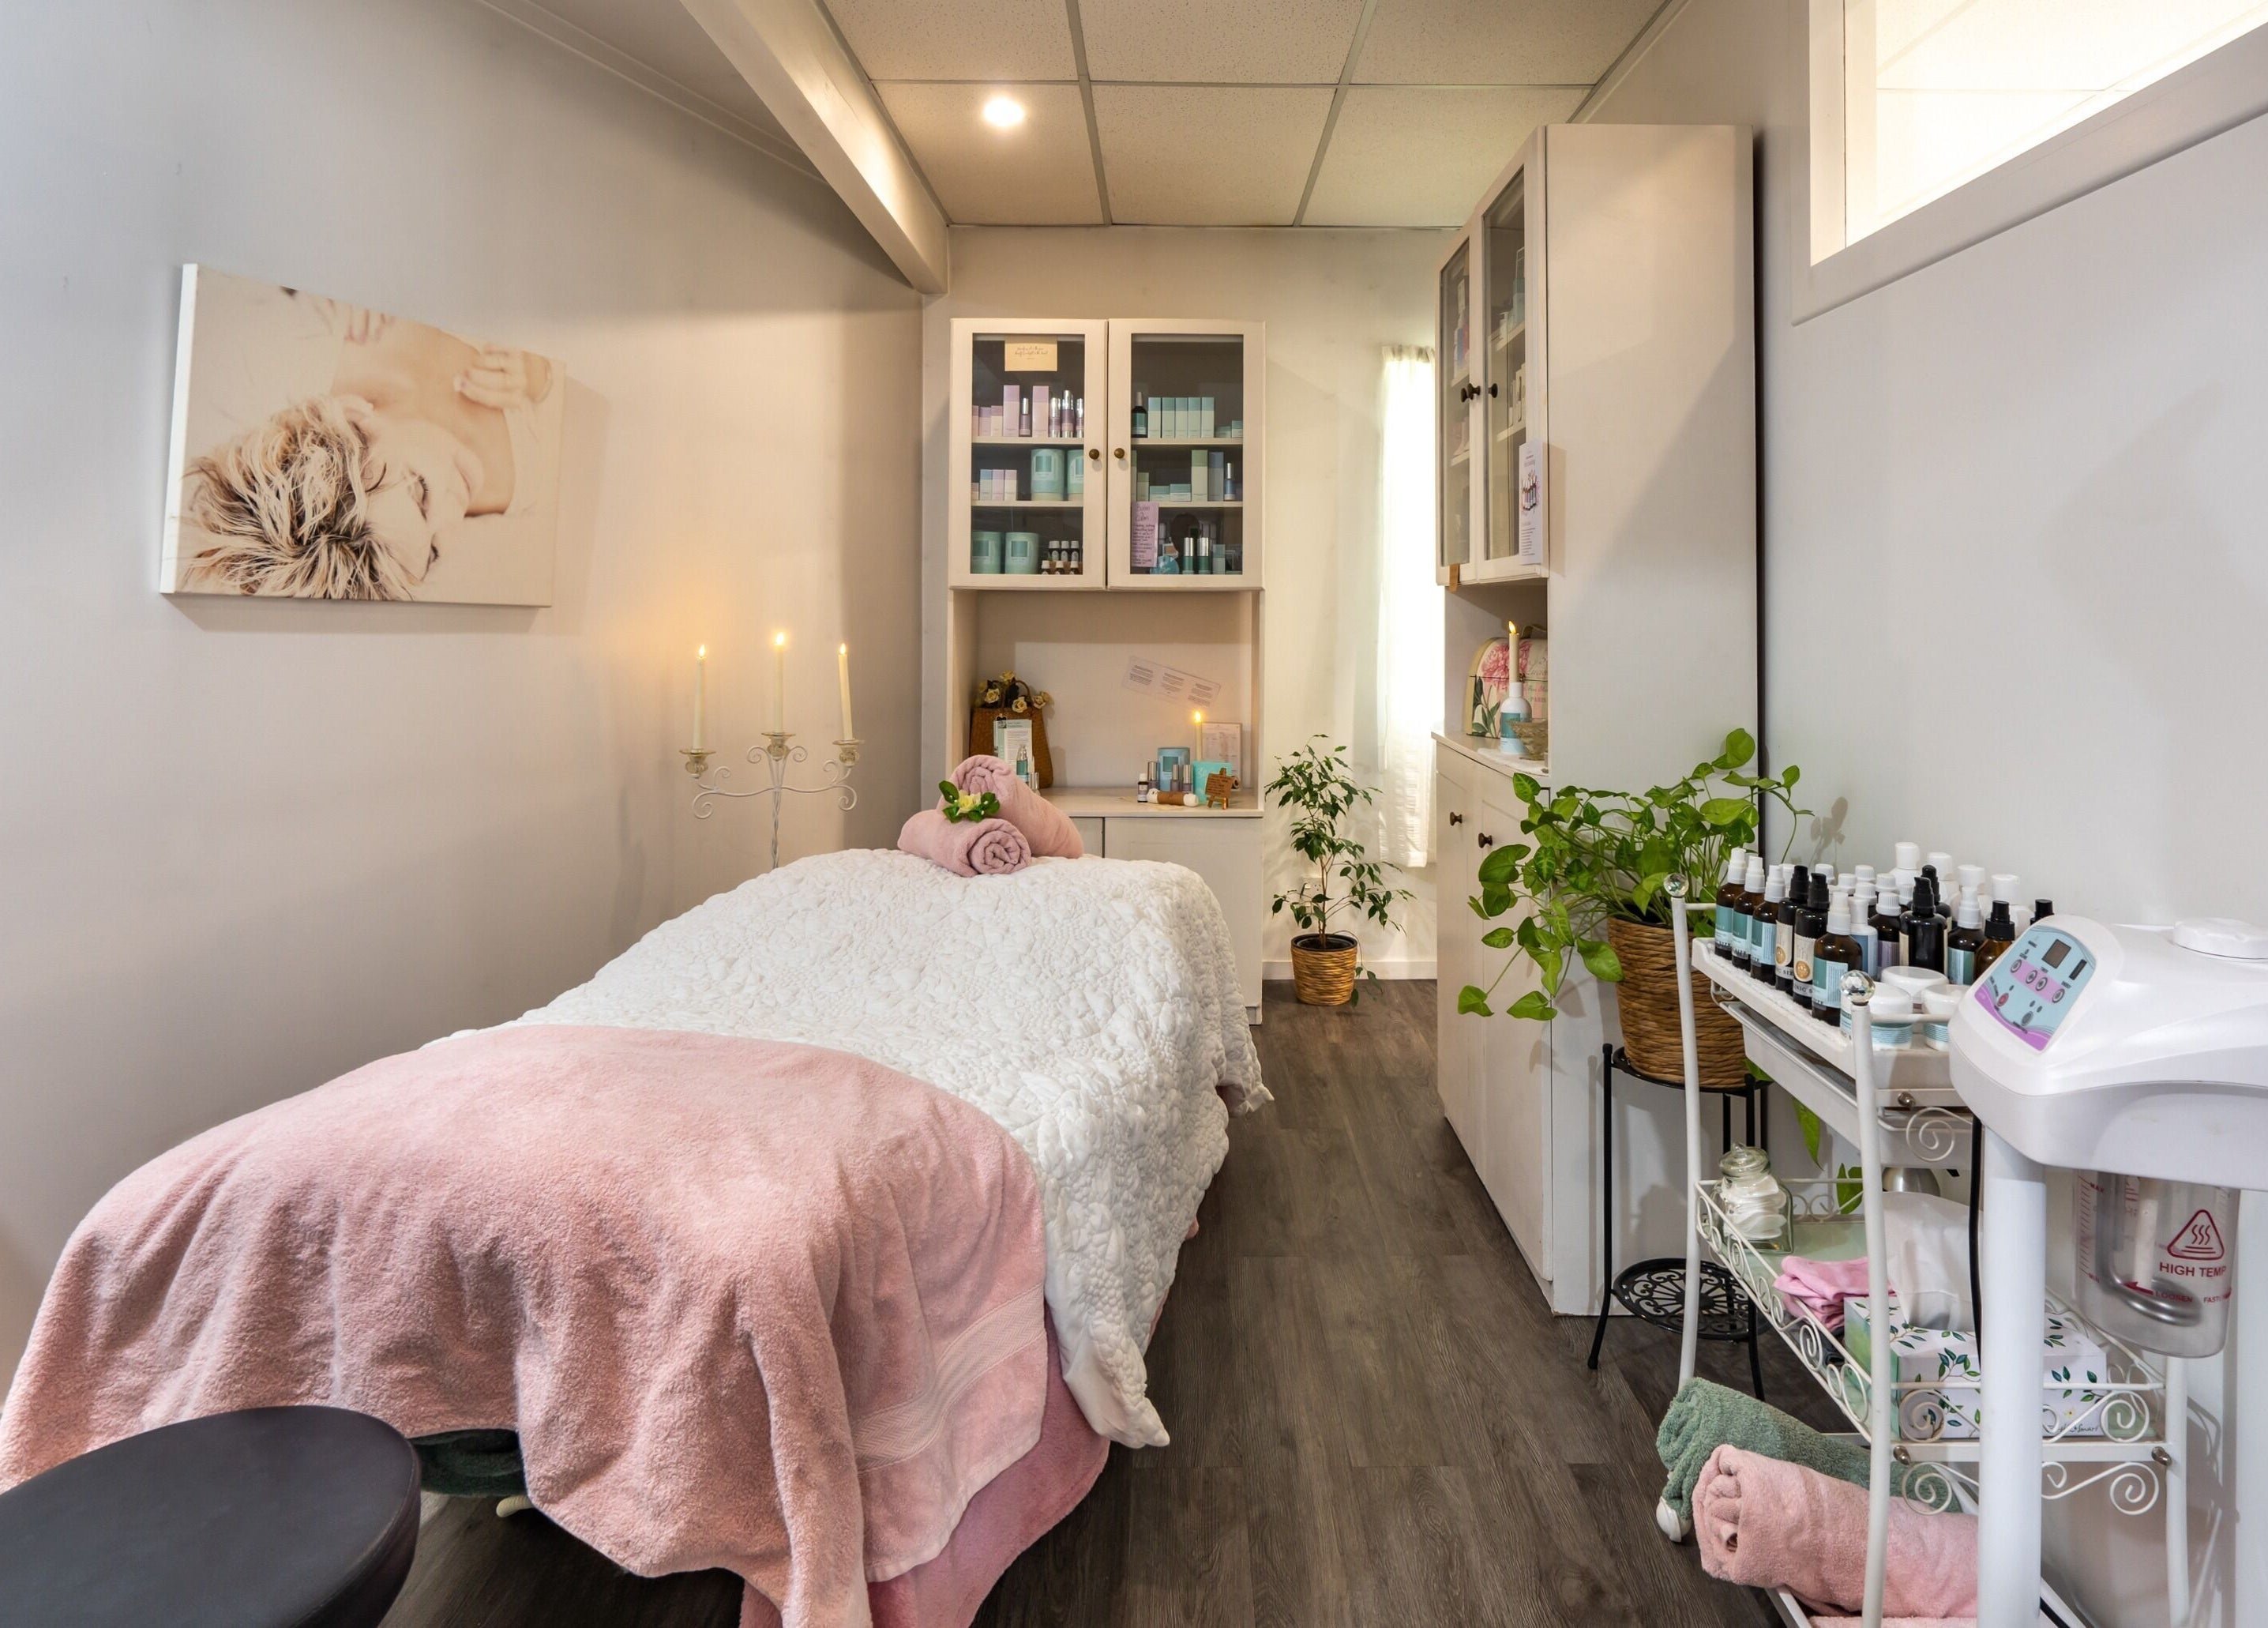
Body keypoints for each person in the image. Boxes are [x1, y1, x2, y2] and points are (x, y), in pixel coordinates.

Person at [178, 285, 557, 600]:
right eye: (433, 551)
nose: (453, 518)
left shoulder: (313, 335)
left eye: (420, 492)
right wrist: (541, 376)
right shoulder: (521, 489)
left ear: (354, 416)